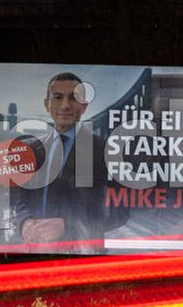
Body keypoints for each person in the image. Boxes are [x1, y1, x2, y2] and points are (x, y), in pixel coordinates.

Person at [13, 72, 123, 253]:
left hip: (84, 254)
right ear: (47, 104)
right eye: (57, 97)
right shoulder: (32, 150)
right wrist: (24, 222)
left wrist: (68, 224)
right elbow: (21, 200)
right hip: (37, 252)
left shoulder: (106, 151)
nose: (65, 105)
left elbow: (119, 211)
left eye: (73, 99)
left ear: (84, 106)